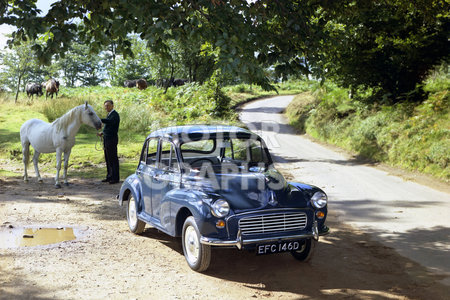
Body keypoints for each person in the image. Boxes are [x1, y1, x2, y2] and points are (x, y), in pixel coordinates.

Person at [98, 100, 120, 184]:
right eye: (105, 106)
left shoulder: (115, 115)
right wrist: (102, 133)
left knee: (113, 158)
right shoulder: (109, 114)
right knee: (108, 158)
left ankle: (115, 178)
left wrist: (100, 120)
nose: (106, 107)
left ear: (112, 106)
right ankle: (109, 176)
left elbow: (110, 122)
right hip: (107, 138)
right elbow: (108, 127)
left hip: (112, 139)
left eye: (108, 105)